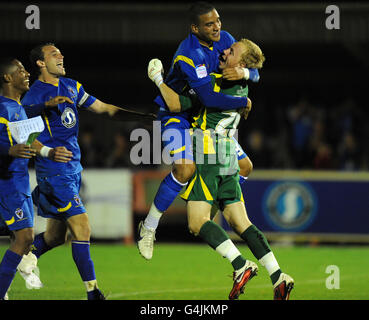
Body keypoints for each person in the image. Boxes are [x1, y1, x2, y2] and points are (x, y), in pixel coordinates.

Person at [148, 39, 294, 300]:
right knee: (242, 223)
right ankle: (278, 275)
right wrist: (248, 75)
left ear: (239, 63)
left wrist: (158, 79)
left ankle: (240, 265)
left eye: (232, 51)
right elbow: (253, 76)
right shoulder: (241, 85)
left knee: (197, 223)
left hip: (208, 153)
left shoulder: (215, 83)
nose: (225, 51)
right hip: (228, 154)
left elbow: (177, 103)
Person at [19, 42, 155, 300]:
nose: (61, 56)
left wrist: (139, 116)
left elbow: (104, 109)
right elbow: (20, 135)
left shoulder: (72, 86)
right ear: (40, 63)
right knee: (82, 228)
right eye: (54, 54)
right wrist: (43, 109)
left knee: (54, 236)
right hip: (54, 172)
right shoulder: (33, 95)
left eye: (60, 52)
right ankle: (93, 292)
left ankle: (25, 257)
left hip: (72, 170)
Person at [138, 1, 256, 261]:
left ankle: (212, 207)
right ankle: (149, 227)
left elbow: (254, 67)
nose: (217, 27)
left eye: (218, 21)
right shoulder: (188, 54)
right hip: (178, 115)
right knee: (184, 168)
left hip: (206, 118)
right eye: (209, 24)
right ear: (194, 28)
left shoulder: (225, 39)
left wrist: (246, 71)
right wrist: (242, 101)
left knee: (245, 166)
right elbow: (209, 98)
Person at [0, 58, 73, 300]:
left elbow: (29, 140)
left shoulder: (19, 108)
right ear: (7, 78)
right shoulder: (2, 108)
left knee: (22, 236)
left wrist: (48, 152)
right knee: (24, 237)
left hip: (17, 181)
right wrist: (9, 151)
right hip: (7, 181)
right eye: (20, 70)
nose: (26, 73)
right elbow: (11, 145)